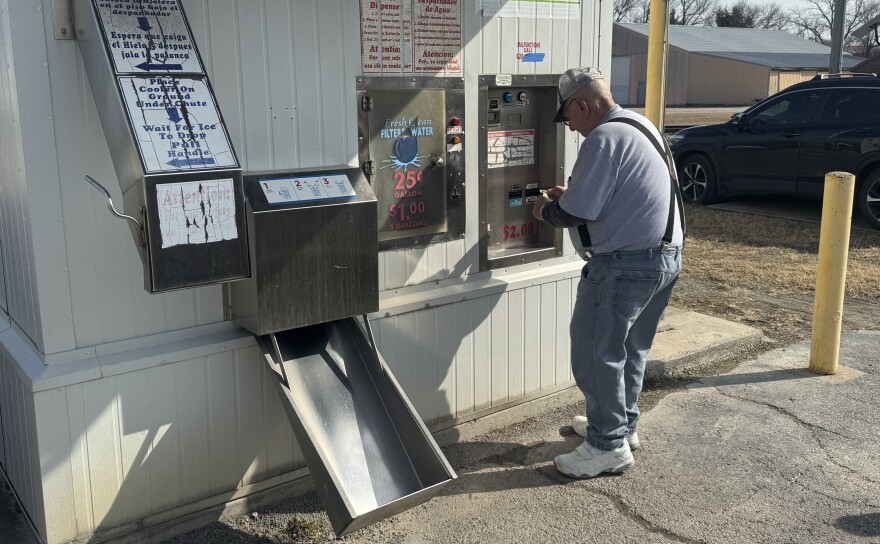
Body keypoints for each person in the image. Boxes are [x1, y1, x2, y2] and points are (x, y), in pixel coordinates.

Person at [531, 67, 684, 479]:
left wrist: (545, 209)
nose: (571, 128)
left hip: (624, 265)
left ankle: (606, 445)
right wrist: (576, 197)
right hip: (663, 258)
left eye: (568, 118)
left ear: (582, 105)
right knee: (629, 349)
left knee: (595, 353)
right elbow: (611, 196)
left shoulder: (603, 137)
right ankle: (621, 427)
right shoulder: (638, 125)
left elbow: (576, 211)